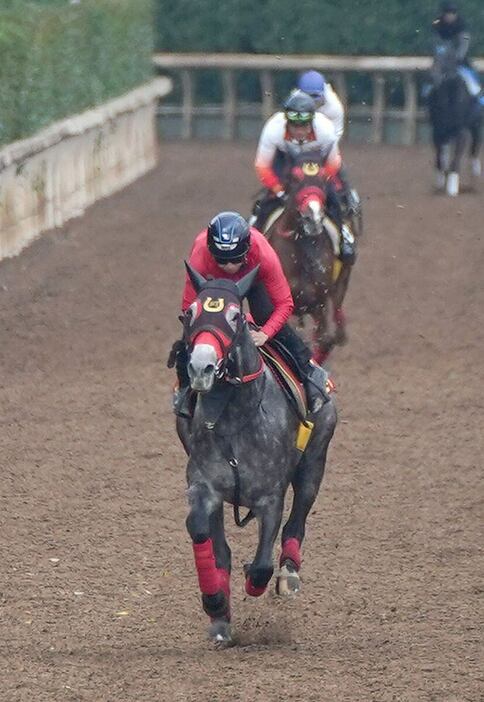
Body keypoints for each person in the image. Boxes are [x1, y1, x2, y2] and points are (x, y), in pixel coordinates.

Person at [172, 211, 329, 417]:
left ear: (247, 250)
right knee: (196, 331)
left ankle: (309, 373)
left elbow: (284, 304)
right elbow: (188, 308)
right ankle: (184, 389)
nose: (228, 266)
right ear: (211, 251)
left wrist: (266, 333)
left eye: (235, 259)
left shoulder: (263, 253)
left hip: (252, 282)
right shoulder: (200, 253)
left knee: (266, 314)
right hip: (213, 288)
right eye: (221, 260)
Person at [251, 89, 356, 261]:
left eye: (304, 126)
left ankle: (344, 237)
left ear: (312, 122)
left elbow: (334, 163)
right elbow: (262, 166)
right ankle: (253, 240)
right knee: (264, 205)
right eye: (294, 126)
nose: (299, 131)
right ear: (287, 122)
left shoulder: (326, 130)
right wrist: (279, 191)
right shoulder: (273, 129)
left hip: (317, 167)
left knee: (336, 203)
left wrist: (321, 183)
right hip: (285, 162)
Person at [297, 70, 361, 218]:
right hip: (299, 144)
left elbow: (335, 137)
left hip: (324, 145)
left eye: (316, 98)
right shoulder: (294, 102)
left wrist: (318, 152)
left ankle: (348, 194)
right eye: (308, 97)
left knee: (337, 164)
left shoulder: (334, 107)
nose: (312, 102)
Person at [431, 1, 481, 96]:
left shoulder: (462, 24)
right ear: (443, 14)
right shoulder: (437, 23)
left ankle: (480, 99)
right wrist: (440, 55)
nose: (450, 16)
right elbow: (436, 42)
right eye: (447, 13)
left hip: (460, 60)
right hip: (442, 59)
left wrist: (459, 57)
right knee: (432, 78)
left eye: (453, 13)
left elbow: (464, 42)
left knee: (472, 79)